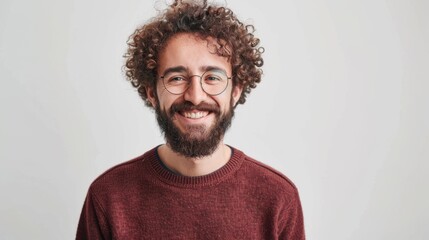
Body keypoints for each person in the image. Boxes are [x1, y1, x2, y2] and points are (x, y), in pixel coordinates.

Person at [76, 0, 305, 239]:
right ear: (152, 92)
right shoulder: (108, 197)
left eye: (212, 78)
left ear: (235, 90)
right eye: (176, 78)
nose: (195, 96)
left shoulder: (277, 198)